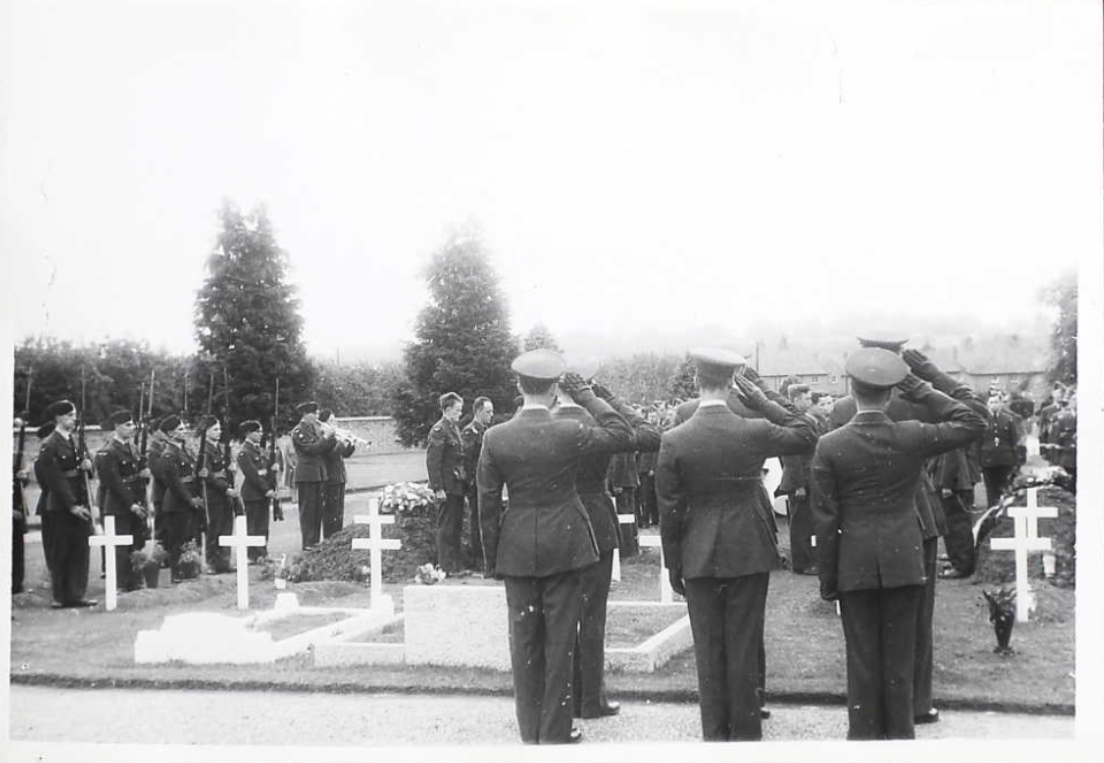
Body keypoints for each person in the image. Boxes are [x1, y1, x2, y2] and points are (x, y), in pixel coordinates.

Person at [811, 348, 985, 739]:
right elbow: (973, 418)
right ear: (891, 395)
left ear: (851, 390)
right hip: (903, 559)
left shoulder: (830, 445)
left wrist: (828, 581)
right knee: (900, 662)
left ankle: (865, 740)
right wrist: (921, 385)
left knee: (861, 661)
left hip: (854, 563)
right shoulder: (911, 435)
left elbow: (827, 519)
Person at [656, 349, 818, 741]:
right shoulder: (754, 428)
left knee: (708, 650)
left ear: (697, 382)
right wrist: (762, 398)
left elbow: (669, 510)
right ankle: (746, 736)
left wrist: (674, 565)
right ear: (732, 383)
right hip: (748, 546)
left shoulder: (674, 439)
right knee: (745, 644)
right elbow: (806, 431)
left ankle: (715, 736)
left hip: (698, 550)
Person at [477, 350, 634, 745]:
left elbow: (487, 504)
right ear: (553, 389)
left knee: (524, 644)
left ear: (519, 385)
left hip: (517, 548)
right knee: (560, 643)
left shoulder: (496, 436)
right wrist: (588, 396)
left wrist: (492, 559)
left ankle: (531, 734)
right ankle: (555, 733)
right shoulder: (569, 431)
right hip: (565, 545)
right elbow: (621, 432)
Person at [552, 361, 660, 721]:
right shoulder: (600, 423)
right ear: (584, 389)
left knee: (561, 613)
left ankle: (566, 697)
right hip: (596, 520)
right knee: (592, 614)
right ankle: (591, 699)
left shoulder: (543, 423)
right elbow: (648, 434)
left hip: (558, 522)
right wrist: (603, 397)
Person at [35, 399, 98, 608]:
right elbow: (54, 479)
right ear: (58, 418)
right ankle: (60, 596)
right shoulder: (50, 444)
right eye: (70, 415)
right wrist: (71, 505)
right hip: (61, 505)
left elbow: (87, 470)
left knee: (80, 550)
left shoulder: (76, 440)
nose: (74, 419)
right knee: (61, 550)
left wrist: (89, 466)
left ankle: (77, 594)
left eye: (74, 415)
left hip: (80, 500)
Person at [94, 410, 151, 592]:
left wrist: (145, 475)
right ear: (117, 427)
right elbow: (113, 482)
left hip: (136, 501)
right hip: (119, 505)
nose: (132, 427)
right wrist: (131, 504)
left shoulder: (133, 448)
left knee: (136, 542)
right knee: (121, 546)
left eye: (132, 424)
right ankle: (120, 583)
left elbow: (137, 478)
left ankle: (134, 580)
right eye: (127, 425)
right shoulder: (108, 451)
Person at [776, 384, 821, 575]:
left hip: (807, 478)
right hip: (800, 480)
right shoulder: (791, 422)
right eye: (806, 399)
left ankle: (808, 560)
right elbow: (791, 455)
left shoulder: (801, 419)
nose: (810, 402)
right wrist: (799, 485)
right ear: (795, 399)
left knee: (807, 522)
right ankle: (802, 563)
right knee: (800, 524)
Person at [158, 415, 205, 580]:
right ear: (170, 433)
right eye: (180, 429)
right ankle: (176, 573)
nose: (184, 431)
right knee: (177, 540)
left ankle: (188, 570)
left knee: (188, 537)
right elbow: (174, 483)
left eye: (184, 428)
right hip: (177, 503)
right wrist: (190, 500)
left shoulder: (183, 450)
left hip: (187, 500)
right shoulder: (169, 454)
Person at [426, 392, 467, 575]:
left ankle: (456, 565)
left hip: (456, 484)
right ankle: (446, 566)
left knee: (456, 525)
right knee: (446, 526)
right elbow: (433, 461)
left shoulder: (453, 428)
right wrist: (438, 488)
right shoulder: (439, 430)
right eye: (458, 410)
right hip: (447, 486)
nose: (460, 413)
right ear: (448, 409)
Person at [932, 443, 982, 579]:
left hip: (954, 486)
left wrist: (947, 484)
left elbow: (951, 459)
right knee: (952, 526)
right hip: (954, 484)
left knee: (957, 527)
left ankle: (962, 565)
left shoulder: (951, 435)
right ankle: (957, 560)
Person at [291, 402, 338, 549]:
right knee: (308, 510)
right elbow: (311, 449)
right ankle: (308, 542)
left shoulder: (313, 429)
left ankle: (315, 541)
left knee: (317, 510)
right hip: (307, 475)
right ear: (306, 414)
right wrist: (326, 437)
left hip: (318, 474)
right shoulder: (299, 431)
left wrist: (332, 438)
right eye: (315, 413)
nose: (317, 417)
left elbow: (324, 449)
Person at [197, 416, 240, 573]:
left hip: (224, 492)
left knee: (226, 527)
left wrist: (231, 469)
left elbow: (224, 470)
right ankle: (212, 562)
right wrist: (225, 488)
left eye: (219, 429)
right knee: (214, 528)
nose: (219, 432)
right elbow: (208, 475)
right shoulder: (204, 450)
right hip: (213, 493)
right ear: (206, 431)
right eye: (215, 429)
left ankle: (224, 561)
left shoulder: (221, 448)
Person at [460, 396, 494, 570]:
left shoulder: (486, 431)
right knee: (477, 521)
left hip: (485, 484)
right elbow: (467, 461)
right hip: (476, 485)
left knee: (487, 519)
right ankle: (478, 559)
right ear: (479, 412)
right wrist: (472, 483)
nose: (491, 415)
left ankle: (487, 558)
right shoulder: (469, 432)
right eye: (488, 412)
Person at [237, 420, 278, 562]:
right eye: (257, 432)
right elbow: (253, 475)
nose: (261, 434)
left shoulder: (259, 450)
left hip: (262, 493)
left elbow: (265, 471)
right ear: (248, 433)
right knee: (253, 525)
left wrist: (273, 470)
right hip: (252, 493)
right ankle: (254, 554)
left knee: (263, 526)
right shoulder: (244, 452)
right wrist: (266, 490)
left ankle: (262, 553)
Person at [979, 393, 1025, 507]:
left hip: (1005, 459)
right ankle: (991, 511)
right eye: (991, 402)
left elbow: (1014, 440)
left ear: (1000, 404)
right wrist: (978, 462)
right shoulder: (982, 420)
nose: (994, 405)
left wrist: (1016, 461)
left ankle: (1004, 512)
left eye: (996, 402)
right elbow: (977, 443)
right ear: (987, 405)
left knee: (1005, 488)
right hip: (988, 460)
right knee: (990, 489)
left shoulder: (1009, 419)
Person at [318, 409, 356, 540]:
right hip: (330, 478)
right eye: (331, 421)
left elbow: (344, 454)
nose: (335, 423)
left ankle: (338, 537)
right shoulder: (324, 437)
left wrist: (351, 443)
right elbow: (332, 455)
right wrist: (341, 442)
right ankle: (330, 538)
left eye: (335, 420)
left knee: (339, 512)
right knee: (331, 512)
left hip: (340, 477)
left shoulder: (335, 437)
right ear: (324, 423)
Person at [12, 412, 31, 595]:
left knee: (17, 547)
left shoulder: (15, 455)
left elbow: (20, 483)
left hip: (16, 506)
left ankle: (17, 584)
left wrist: (23, 476)